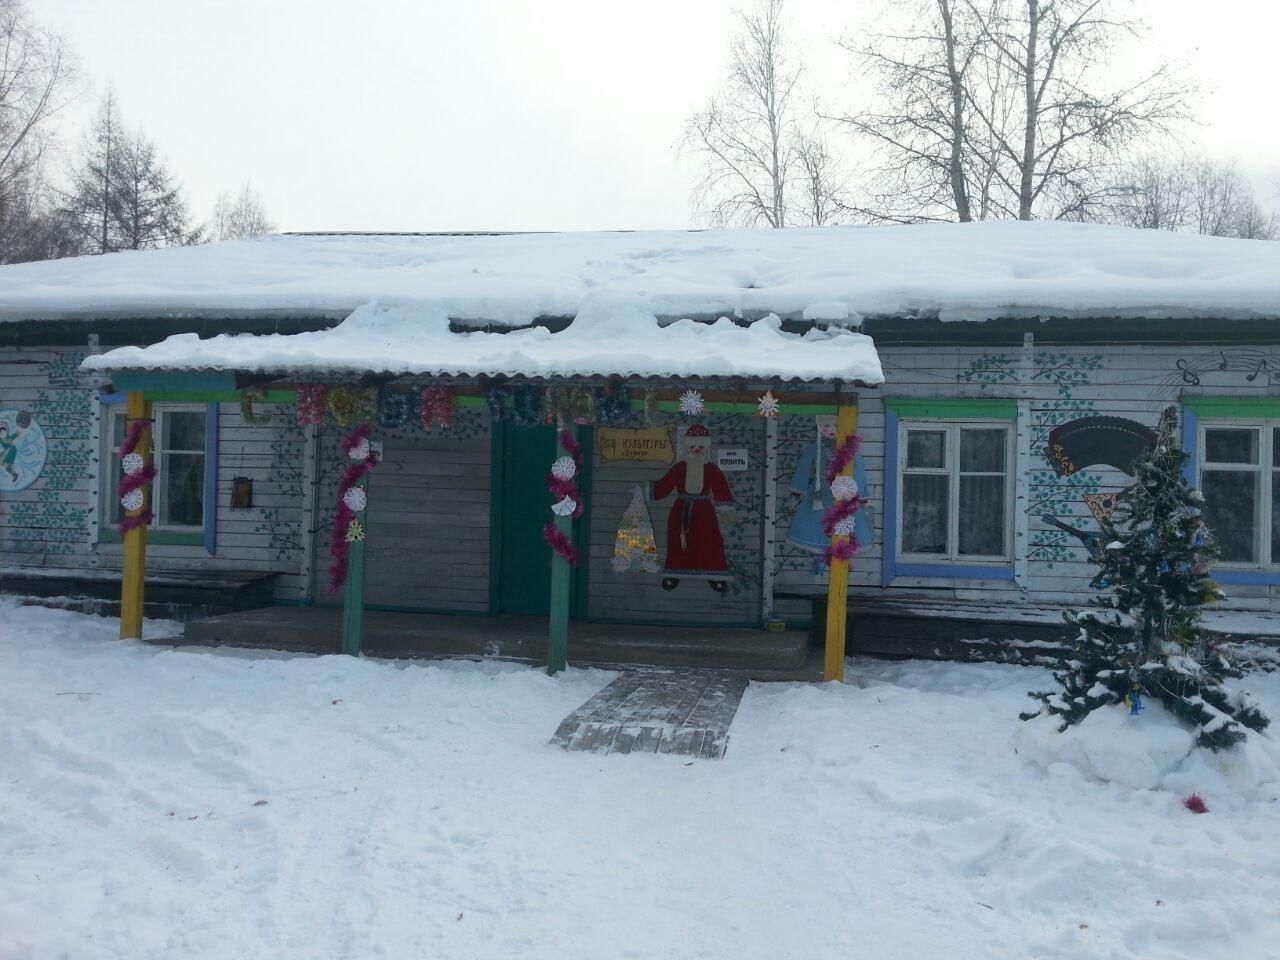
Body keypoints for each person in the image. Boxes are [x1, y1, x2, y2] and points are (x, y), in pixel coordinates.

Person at [652, 423, 734, 592]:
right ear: (687, 446)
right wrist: (647, 489)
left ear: (706, 447)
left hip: (705, 513)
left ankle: (714, 574)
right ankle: (674, 573)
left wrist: (725, 510)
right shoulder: (679, 468)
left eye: (701, 446)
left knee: (709, 542)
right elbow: (664, 486)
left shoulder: (711, 469)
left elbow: (721, 489)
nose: (697, 449)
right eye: (693, 445)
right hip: (681, 511)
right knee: (678, 541)